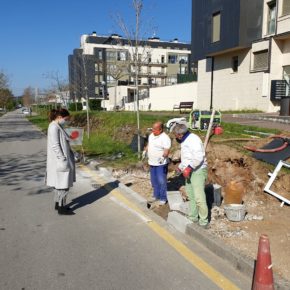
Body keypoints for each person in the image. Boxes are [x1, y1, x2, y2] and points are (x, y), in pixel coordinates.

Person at [172, 123, 209, 228]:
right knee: (191, 196)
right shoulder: (185, 140)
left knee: (199, 198)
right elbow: (187, 157)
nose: (175, 137)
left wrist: (189, 168)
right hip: (190, 170)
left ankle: (204, 221)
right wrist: (181, 167)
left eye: (175, 135)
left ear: (180, 134)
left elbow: (198, 156)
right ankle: (193, 217)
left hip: (198, 171)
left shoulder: (194, 140)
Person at [46, 108, 76, 215]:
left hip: (60, 160)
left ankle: (58, 204)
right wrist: (62, 158)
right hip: (60, 161)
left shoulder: (57, 126)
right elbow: (55, 145)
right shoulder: (54, 127)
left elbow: (66, 138)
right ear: (59, 117)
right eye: (66, 119)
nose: (67, 121)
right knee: (63, 185)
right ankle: (61, 208)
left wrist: (74, 137)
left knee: (60, 184)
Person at [144, 121, 171, 205]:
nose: (153, 131)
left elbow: (166, 151)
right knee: (154, 180)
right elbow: (149, 143)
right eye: (153, 128)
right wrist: (145, 150)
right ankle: (156, 195)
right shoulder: (152, 135)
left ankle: (163, 198)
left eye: (155, 129)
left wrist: (163, 157)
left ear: (161, 129)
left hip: (160, 164)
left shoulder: (165, 138)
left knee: (161, 181)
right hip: (152, 162)